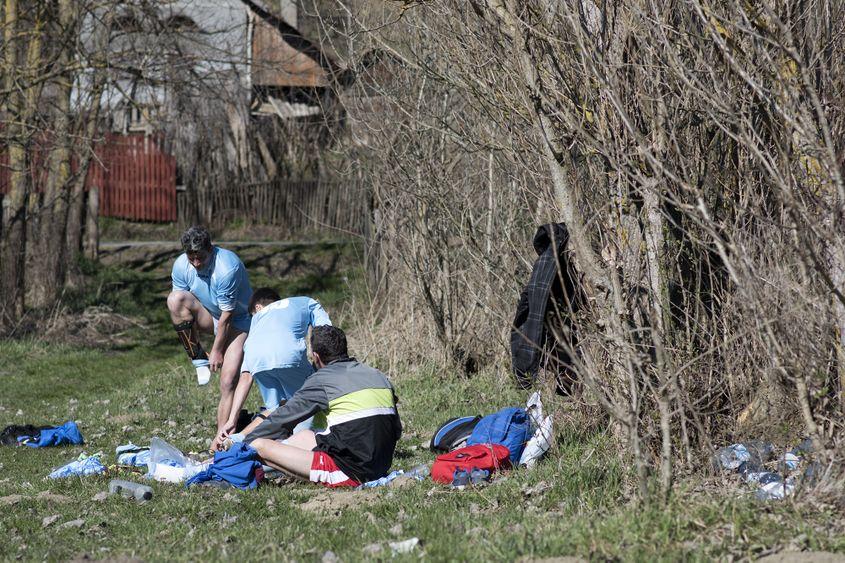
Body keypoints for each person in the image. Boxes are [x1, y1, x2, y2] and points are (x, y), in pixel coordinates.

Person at [225, 325, 402, 488]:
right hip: (380, 464)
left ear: (316, 356)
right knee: (305, 435)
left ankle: (225, 462)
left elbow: (282, 419)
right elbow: (397, 431)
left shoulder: (322, 379)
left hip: (351, 473)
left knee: (259, 445)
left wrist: (241, 444)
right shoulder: (377, 375)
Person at [214, 287, 332, 444]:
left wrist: (232, 419)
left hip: (257, 359)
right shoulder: (306, 302)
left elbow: (246, 377)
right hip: (288, 356)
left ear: (258, 307)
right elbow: (326, 334)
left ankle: (240, 440)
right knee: (307, 403)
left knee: (275, 408)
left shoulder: (256, 322)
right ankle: (299, 447)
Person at [167, 226, 252, 432]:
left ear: (211, 249)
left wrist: (217, 350)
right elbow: (181, 308)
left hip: (239, 322)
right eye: (191, 258)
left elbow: (227, 316)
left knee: (228, 379)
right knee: (174, 299)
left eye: (201, 258)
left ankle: (222, 436)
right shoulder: (181, 265)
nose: (196, 263)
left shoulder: (226, 268)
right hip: (211, 315)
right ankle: (198, 358)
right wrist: (204, 351)